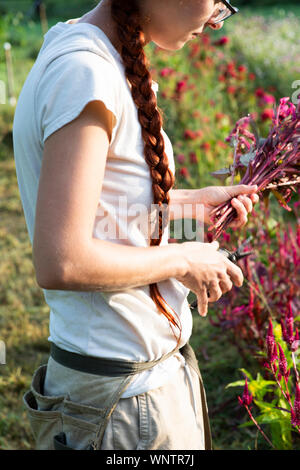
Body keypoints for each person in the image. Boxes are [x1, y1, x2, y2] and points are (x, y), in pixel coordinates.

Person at [13, 0, 259, 450]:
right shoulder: (84, 74)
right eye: (218, 1)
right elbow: (63, 260)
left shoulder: (95, 58)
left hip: (136, 392)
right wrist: (183, 257)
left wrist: (190, 211)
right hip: (123, 408)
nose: (217, 19)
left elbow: (107, 215)